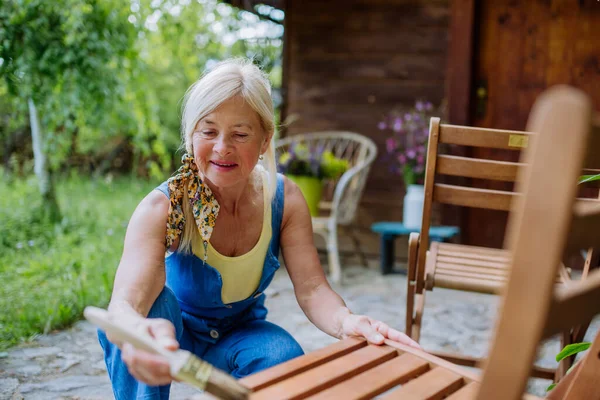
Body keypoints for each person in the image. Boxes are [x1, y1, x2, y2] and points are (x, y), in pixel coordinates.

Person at [98, 58, 420, 399]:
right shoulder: (164, 206)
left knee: (282, 356)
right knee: (146, 313)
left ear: (265, 140)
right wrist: (137, 331)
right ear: (191, 136)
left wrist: (347, 322)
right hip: (171, 334)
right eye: (208, 131)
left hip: (239, 335)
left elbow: (312, 289)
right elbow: (125, 305)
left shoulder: (284, 200)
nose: (222, 147)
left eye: (240, 134)